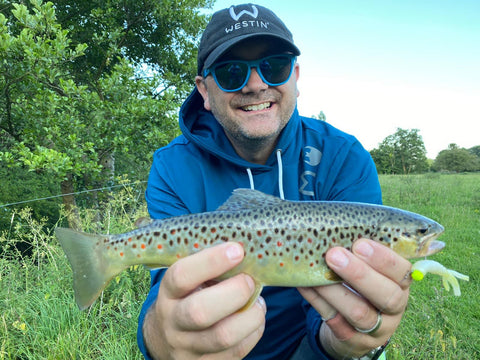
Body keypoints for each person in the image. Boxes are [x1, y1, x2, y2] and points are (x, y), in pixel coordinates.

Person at [137, 4, 412, 360]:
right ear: (204, 91)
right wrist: (161, 341)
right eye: (232, 71)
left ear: (295, 76)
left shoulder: (343, 155)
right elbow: (165, 293)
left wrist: (347, 338)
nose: (256, 84)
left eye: (275, 66)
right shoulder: (172, 166)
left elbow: (351, 305)